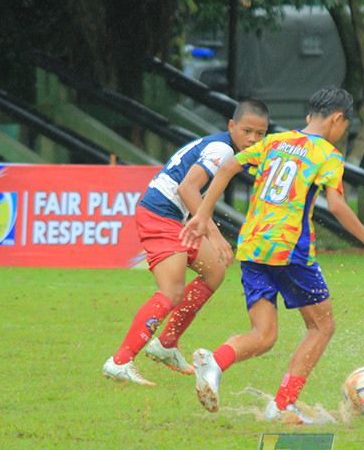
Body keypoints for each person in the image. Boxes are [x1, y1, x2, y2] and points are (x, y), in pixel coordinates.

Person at [179, 87, 364, 423]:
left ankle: (216, 362)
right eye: (345, 127)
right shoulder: (327, 154)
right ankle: (283, 404)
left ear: (310, 117)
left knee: (264, 335)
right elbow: (336, 205)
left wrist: (203, 215)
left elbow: (225, 169)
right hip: (288, 249)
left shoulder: (274, 142)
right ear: (337, 120)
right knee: (322, 327)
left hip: (252, 246)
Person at [101, 100, 270, 385]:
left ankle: (166, 344)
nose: (253, 139)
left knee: (215, 271)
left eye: (260, 134)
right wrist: (216, 237)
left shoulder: (225, 147)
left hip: (173, 216)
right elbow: (187, 188)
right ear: (231, 126)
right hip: (159, 214)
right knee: (171, 291)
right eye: (247, 131)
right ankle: (120, 361)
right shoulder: (223, 150)